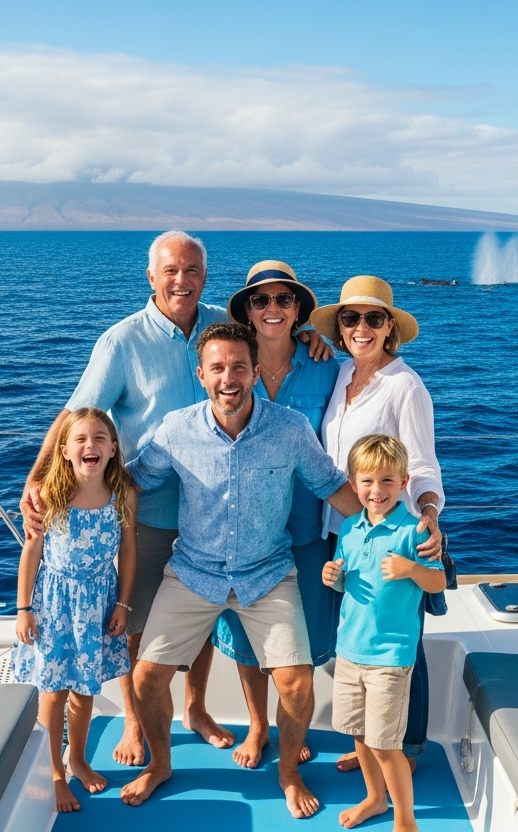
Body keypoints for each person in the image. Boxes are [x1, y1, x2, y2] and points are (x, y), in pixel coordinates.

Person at [20, 231, 333, 766]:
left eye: (191, 270)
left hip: (211, 518)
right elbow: (78, 415)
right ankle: (137, 725)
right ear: (151, 276)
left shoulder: (221, 326)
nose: (181, 280)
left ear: (205, 277)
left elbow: (269, 334)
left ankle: (197, 709)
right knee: (139, 623)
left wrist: (309, 335)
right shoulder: (122, 342)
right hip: (144, 510)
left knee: (206, 623)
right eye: (170, 270)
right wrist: (40, 478)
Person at [120, 322, 362, 818]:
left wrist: (398, 526)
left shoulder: (290, 428)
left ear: (254, 372)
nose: (228, 377)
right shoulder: (176, 429)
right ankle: (161, 765)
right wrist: (61, 496)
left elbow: (332, 485)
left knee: (296, 680)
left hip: (267, 573)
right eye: (217, 368)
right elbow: (131, 481)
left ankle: (289, 773)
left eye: (238, 367)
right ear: (201, 375)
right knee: (145, 679)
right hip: (193, 572)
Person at [309, 275, 444, 770]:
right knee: (362, 626)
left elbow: (423, 463)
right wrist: (307, 338)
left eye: (372, 318)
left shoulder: (404, 385)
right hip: (345, 527)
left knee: (402, 637)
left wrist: (428, 511)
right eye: (349, 318)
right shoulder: (343, 372)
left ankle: (405, 749)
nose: (360, 327)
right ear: (339, 327)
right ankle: (371, 744)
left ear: (390, 327)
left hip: (393, 533)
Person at [212, 260, 340, 769]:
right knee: (245, 635)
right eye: (260, 300)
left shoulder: (327, 365)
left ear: (298, 310)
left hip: (306, 528)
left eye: (283, 300)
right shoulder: (229, 364)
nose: (272, 309)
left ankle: (293, 728)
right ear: (246, 310)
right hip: (243, 530)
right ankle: (258, 725)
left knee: (300, 635)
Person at [12, 408, 138, 812]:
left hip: (98, 602)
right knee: (54, 691)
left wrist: (122, 601)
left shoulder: (122, 494)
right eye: (81, 439)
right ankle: (53, 771)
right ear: (64, 450)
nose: (91, 446)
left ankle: (78, 759)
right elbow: (31, 552)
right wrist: (24, 608)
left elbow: (128, 550)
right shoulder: (50, 495)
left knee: (85, 691)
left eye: (100, 438)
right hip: (54, 603)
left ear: (113, 449)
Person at [322, 434, 447, 832]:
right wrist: (334, 579)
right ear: (353, 483)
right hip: (350, 650)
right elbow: (348, 583)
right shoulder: (348, 529)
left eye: (387, 481)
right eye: (368, 482)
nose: (377, 491)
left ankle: (405, 819)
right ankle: (375, 799)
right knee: (359, 736)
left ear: (404, 482)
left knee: (386, 744)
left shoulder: (414, 532)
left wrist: (412, 570)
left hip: (390, 657)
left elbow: (439, 583)